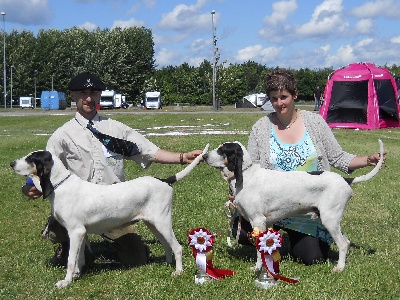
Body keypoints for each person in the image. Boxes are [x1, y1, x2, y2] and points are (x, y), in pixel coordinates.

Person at [22, 72, 203, 268]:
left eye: (94, 92)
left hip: (114, 207)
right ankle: (69, 246)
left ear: (100, 95)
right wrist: (29, 186)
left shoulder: (116, 129)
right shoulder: (62, 135)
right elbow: (44, 167)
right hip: (77, 206)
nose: (89, 98)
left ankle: (114, 242)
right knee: (61, 224)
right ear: (73, 96)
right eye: (83, 93)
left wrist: (183, 157)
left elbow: (149, 151)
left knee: (137, 259)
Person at [232, 68, 386, 266]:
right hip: (271, 207)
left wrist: (368, 160)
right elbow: (250, 168)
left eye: (284, 97)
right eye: (274, 99)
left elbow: (338, 157)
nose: (279, 103)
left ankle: (304, 237)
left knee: (311, 257)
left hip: (305, 208)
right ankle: (272, 242)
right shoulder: (261, 127)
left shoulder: (315, 122)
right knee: (245, 235)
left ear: (295, 94)